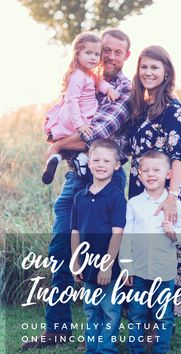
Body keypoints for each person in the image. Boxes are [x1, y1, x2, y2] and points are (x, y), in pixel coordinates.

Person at [22, 28, 131, 351]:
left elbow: (95, 135)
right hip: (75, 181)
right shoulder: (82, 78)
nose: (108, 57)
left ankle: (114, 326)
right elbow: (58, 115)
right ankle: (57, 329)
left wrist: (55, 147)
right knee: (59, 250)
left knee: (102, 258)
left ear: (126, 55)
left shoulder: (123, 90)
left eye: (116, 52)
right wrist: (56, 141)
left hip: (106, 182)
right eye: (104, 50)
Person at [127, 45, 181, 315]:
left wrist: (172, 197)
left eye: (155, 67)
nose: (148, 72)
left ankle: (169, 311)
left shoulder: (172, 108)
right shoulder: (141, 106)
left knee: (167, 244)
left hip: (166, 189)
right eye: (144, 67)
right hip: (140, 185)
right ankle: (143, 307)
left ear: (166, 72)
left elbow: (178, 155)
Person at [119, 151, 181, 354]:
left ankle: (161, 349)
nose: (151, 174)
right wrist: (126, 267)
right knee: (137, 314)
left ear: (168, 174)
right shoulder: (134, 204)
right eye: (146, 171)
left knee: (164, 316)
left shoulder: (174, 204)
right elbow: (127, 237)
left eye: (156, 170)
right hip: (139, 272)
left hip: (164, 272)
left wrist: (173, 233)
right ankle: (136, 350)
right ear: (139, 175)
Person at [71, 139, 126, 353]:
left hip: (108, 267)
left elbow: (117, 233)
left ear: (116, 165)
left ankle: (106, 349)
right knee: (90, 310)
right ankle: (91, 349)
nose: (101, 164)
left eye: (106, 160)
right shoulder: (80, 197)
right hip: (87, 265)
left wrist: (107, 265)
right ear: (89, 163)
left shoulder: (116, 197)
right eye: (96, 160)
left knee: (110, 310)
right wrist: (75, 261)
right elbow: (75, 232)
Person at [42, 32, 119, 185]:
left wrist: (109, 89)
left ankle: (57, 158)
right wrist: (80, 124)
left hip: (84, 114)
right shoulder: (77, 75)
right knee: (92, 138)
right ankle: (81, 160)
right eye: (88, 53)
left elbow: (99, 83)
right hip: (77, 117)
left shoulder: (89, 74)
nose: (93, 57)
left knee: (85, 141)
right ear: (77, 54)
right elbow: (71, 101)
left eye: (97, 54)